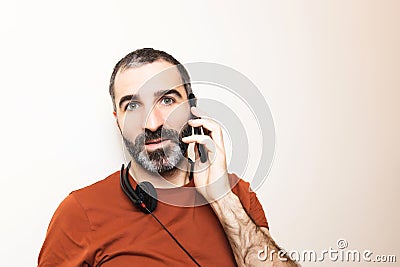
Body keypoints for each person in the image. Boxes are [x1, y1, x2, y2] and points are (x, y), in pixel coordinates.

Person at [38, 48, 299, 267]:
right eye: (132, 105)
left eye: (167, 100)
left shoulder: (237, 195)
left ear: (192, 108)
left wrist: (221, 199)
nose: (152, 123)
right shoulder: (79, 212)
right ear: (118, 120)